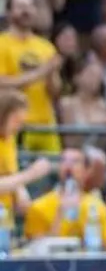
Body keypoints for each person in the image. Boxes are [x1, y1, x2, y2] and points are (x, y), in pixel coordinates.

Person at [0, 0, 62, 153]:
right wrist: (42, 72)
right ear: (8, 12)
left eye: (30, 6)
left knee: (52, 173)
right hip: (14, 125)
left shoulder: (46, 46)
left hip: (46, 124)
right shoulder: (2, 44)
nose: (26, 11)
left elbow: (55, 92)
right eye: (20, 6)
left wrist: (51, 76)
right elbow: (3, 83)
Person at [23, 145, 106, 242]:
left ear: (87, 171)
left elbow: (105, 248)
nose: (69, 165)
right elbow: (37, 250)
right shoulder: (38, 207)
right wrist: (60, 214)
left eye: (75, 161)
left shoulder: (97, 207)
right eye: (64, 160)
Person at [0, 90, 51, 220]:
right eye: (16, 120)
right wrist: (32, 173)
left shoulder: (9, 140)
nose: (18, 127)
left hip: (5, 214)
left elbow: (11, 173)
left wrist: (21, 194)